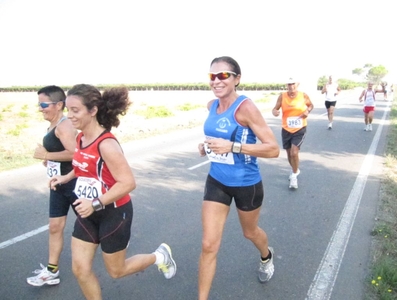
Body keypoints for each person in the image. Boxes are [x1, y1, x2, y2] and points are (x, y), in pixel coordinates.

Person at [49, 84, 176, 299]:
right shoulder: (81, 138)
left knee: (117, 271)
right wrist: (66, 177)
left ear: (93, 110)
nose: (69, 116)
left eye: (75, 110)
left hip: (114, 213)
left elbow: (127, 183)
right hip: (87, 213)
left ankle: (159, 256)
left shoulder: (106, 144)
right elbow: (83, 168)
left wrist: (95, 203)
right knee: (80, 269)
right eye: (68, 110)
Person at [197, 56, 280, 300]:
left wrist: (233, 147)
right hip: (217, 182)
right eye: (212, 76)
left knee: (250, 232)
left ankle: (266, 256)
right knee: (208, 245)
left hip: (246, 184)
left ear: (237, 79)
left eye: (223, 75)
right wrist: (206, 147)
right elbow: (216, 139)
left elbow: (273, 149)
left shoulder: (246, 108)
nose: (216, 80)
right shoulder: (212, 105)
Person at [27, 85, 78, 287]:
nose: (41, 108)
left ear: (58, 105)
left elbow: (75, 154)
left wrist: (47, 155)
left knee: (93, 223)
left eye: (44, 104)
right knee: (55, 227)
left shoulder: (64, 126)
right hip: (58, 184)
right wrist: (50, 161)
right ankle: (51, 271)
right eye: (39, 104)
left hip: (74, 182)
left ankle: (115, 237)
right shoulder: (52, 125)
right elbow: (61, 154)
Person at [272, 78, 314, 189]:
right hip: (286, 129)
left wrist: (307, 111)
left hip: (299, 128)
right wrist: (275, 112)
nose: (291, 86)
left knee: (294, 152)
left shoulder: (303, 95)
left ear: (297, 84)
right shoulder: (282, 96)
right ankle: (295, 169)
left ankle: (294, 176)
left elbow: (310, 105)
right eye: (289, 84)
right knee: (289, 153)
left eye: (293, 84)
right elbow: (275, 108)